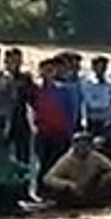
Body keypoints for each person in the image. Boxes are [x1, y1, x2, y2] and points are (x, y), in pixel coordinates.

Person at [42, 132, 111, 208]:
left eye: (86, 143)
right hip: (73, 193)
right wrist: (67, 184)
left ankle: (99, 201)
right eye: (79, 143)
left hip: (91, 190)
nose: (83, 146)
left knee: (108, 179)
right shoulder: (66, 160)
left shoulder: (96, 157)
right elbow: (48, 178)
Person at [33, 58, 74, 191]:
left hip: (59, 132)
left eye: (51, 70)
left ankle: (54, 190)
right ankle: (40, 189)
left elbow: (69, 112)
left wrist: (69, 131)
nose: (48, 73)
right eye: (45, 70)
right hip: (42, 132)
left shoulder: (63, 90)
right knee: (41, 162)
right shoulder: (35, 90)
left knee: (56, 162)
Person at [4, 48, 36, 167]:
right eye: (12, 60)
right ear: (6, 61)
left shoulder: (25, 78)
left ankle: (23, 180)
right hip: (3, 119)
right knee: (3, 153)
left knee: (23, 154)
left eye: (18, 60)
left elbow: (32, 98)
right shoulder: (0, 76)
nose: (15, 63)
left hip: (21, 119)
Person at [80, 56, 111, 137]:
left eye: (104, 67)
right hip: (93, 121)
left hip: (107, 121)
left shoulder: (110, 85)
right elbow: (91, 103)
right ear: (93, 68)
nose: (101, 70)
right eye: (99, 67)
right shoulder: (87, 83)